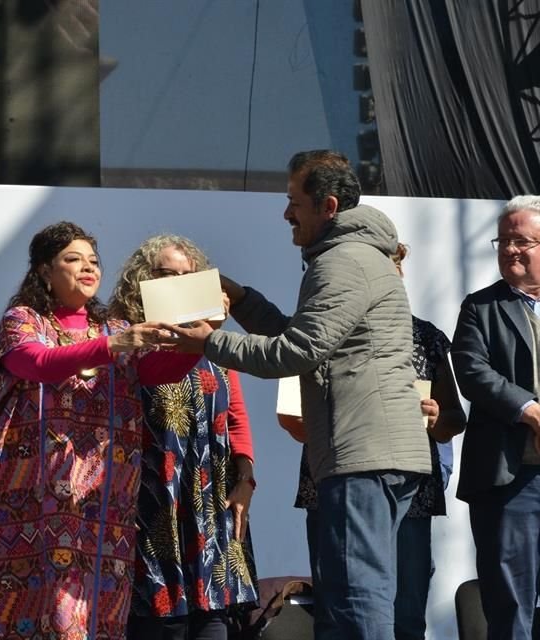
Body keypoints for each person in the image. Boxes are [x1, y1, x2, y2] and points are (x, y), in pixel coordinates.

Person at [160, 150, 431, 640]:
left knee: (356, 596)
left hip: (361, 455)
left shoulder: (344, 261)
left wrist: (208, 341)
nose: (286, 213)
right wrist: (242, 300)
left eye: (293, 202)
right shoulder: (353, 257)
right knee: (359, 592)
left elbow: (296, 352)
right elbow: (304, 337)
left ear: (327, 205)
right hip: (371, 451)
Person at [0, 221, 199, 640]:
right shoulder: (23, 319)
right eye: (73, 259)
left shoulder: (112, 325)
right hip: (28, 497)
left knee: (95, 610)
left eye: (93, 260)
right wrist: (113, 346)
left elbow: (153, 371)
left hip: (101, 497)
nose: (88, 268)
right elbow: (36, 363)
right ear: (44, 270)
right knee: (41, 607)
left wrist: (201, 338)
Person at [289, 243, 466, 640]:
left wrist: (438, 418)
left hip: (408, 496)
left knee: (404, 615)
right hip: (332, 484)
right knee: (337, 613)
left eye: (389, 268)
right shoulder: (322, 329)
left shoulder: (425, 336)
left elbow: (454, 418)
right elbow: (292, 406)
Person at [108, 235, 259, 640]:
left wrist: (246, 480)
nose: (176, 281)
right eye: (165, 273)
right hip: (153, 497)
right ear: (143, 278)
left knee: (214, 618)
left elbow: (236, 417)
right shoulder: (127, 334)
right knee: (162, 620)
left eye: (187, 276)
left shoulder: (214, 344)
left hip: (209, 500)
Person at [452, 195, 540, 640]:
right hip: (511, 478)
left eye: (521, 241)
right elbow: (471, 370)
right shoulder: (481, 307)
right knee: (510, 603)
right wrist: (530, 412)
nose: (509, 250)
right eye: (503, 241)